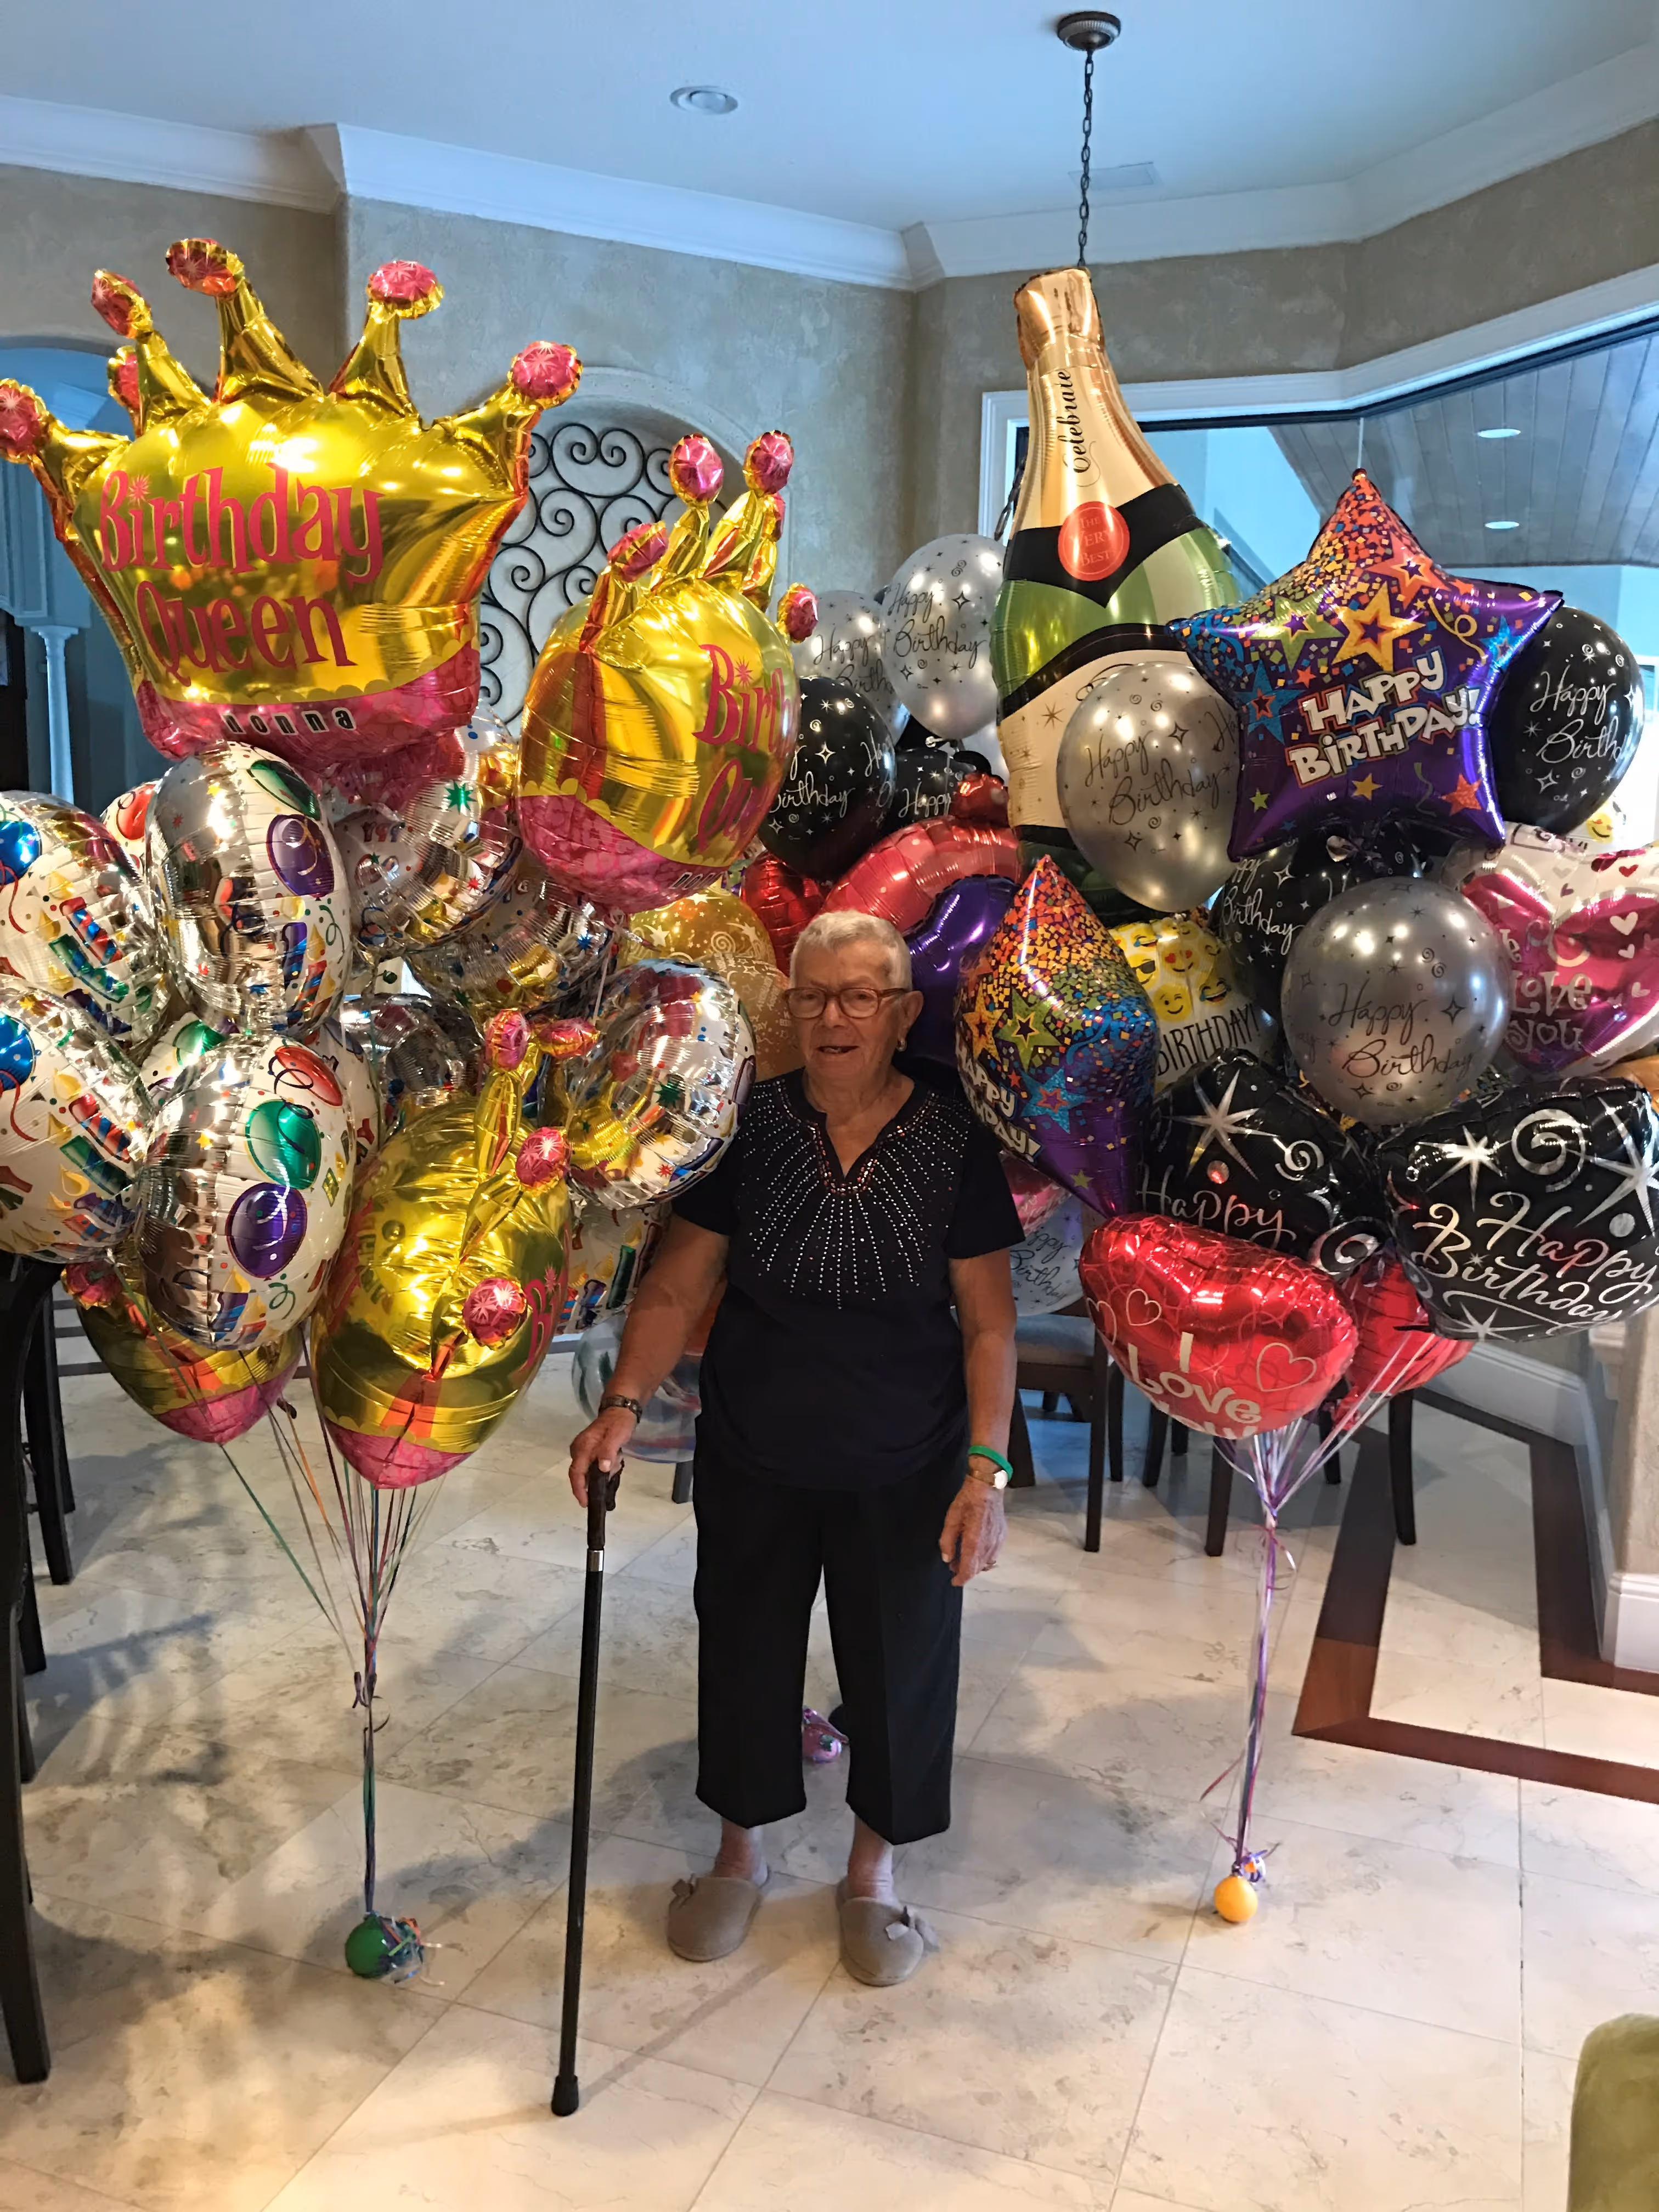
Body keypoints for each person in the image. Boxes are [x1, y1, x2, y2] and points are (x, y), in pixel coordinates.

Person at [567, 907, 1022, 1987]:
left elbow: (992, 1323)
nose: (834, 1016)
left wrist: (986, 1473)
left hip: (905, 1461)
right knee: (744, 1651)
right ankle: (741, 1854)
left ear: (902, 1012)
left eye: (860, 995)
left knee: (901, 1666)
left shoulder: (953, 1140)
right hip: (756, 1450)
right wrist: (625, 1402)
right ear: (790, 1009)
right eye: (813, 996)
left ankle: (873, 1874)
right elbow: (679, 1283)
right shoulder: (751, 1127)